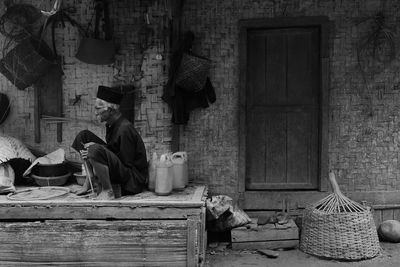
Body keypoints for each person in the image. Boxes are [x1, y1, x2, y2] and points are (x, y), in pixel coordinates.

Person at [71, 85, 148, 199]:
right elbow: (112, 150)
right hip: (122, 170)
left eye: (98, 109)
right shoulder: (111, 124)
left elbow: (126, 163)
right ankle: (90, 178)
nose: (96, 113)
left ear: (110, 110)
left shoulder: (125, 129)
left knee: (94, 149)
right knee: (83, 136)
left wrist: (98, 149)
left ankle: (108, 190)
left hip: (132, 181)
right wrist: (100, 149)